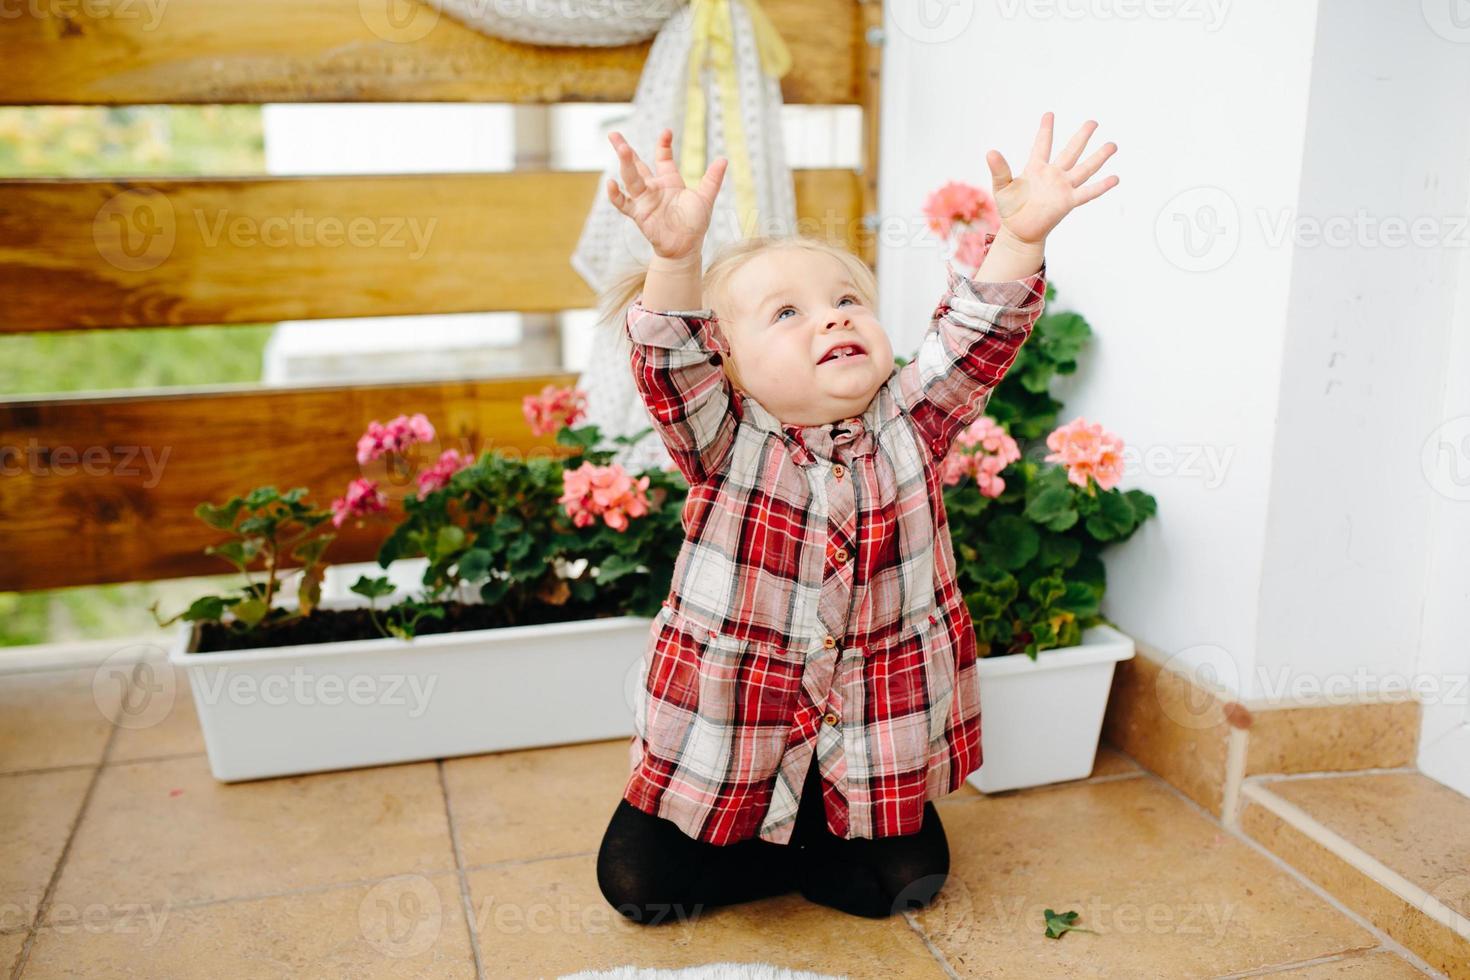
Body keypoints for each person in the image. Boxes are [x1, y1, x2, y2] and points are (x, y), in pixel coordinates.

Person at [594, 114, 1119, 923]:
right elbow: (669, 359)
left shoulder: (913, 417)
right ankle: (754, 838)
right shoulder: (723, 439)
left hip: (869, 734)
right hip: (735, 737)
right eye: (787, 314)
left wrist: (1019, 238)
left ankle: (817, 832)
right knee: (637, 885)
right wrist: (674, 258)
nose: (833, 318)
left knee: (907, 883)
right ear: (725, 362)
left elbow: (979, 334)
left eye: (846, 300)